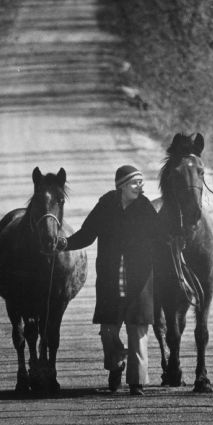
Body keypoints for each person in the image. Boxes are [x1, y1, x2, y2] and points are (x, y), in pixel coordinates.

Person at [57, 164, 158, 396]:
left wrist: (175, 238)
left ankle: (136, 383)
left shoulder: (145, 207)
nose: (139, 186)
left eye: (141, 182)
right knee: (108, 332)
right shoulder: (105, 205)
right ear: (121, 186)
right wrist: (66, 244)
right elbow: (87, 233)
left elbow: (160, 235)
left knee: (138, 332)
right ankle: (116, 363)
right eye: (134, 182)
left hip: (139, 283)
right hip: (110, 282)